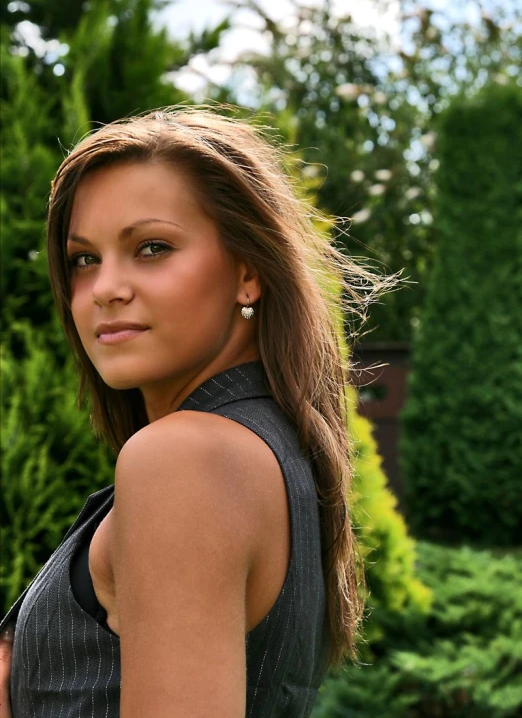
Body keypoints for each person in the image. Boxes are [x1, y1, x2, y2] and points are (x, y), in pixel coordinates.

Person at [0, 107, 399, 717]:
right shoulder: (261, 448)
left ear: (247, 272)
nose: (106, 287)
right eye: (85, 258)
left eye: (152, 247)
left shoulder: (186, 458)